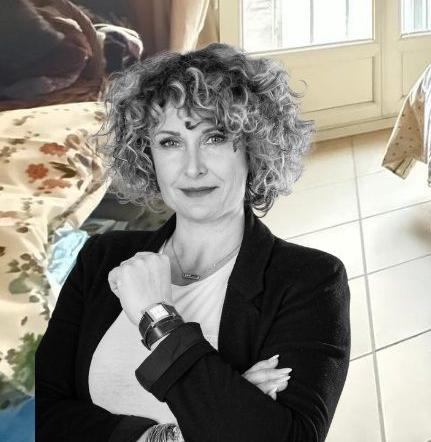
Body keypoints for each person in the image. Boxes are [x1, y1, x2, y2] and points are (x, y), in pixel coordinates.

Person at [35, 44, 350, 441]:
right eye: (170, 142)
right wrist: (186, 429)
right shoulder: (102, 257)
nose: (193, 167)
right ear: (147, 154)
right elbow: (39, 412)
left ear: (254, 147)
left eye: (215, 137)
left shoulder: (310, 280)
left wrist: (157, 318)